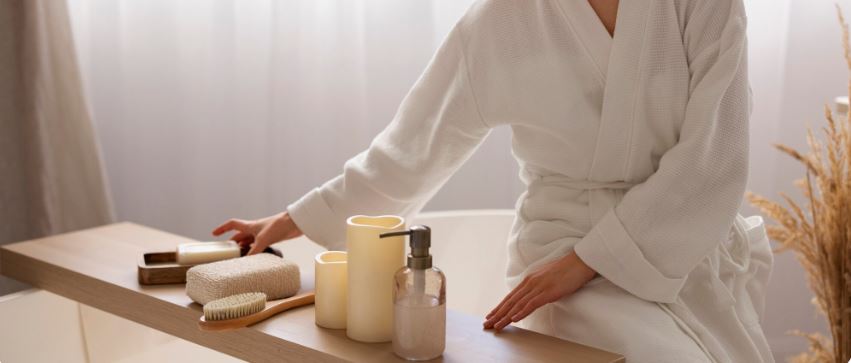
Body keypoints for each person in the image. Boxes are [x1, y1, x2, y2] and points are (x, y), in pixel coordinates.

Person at [212, 0, 774, 361]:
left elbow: (716, 161)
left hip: (674, 252)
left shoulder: (706, 5)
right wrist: (296, 220)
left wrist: (588, 260)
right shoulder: (502, 19)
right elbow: (413, 148)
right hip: (558, 254)